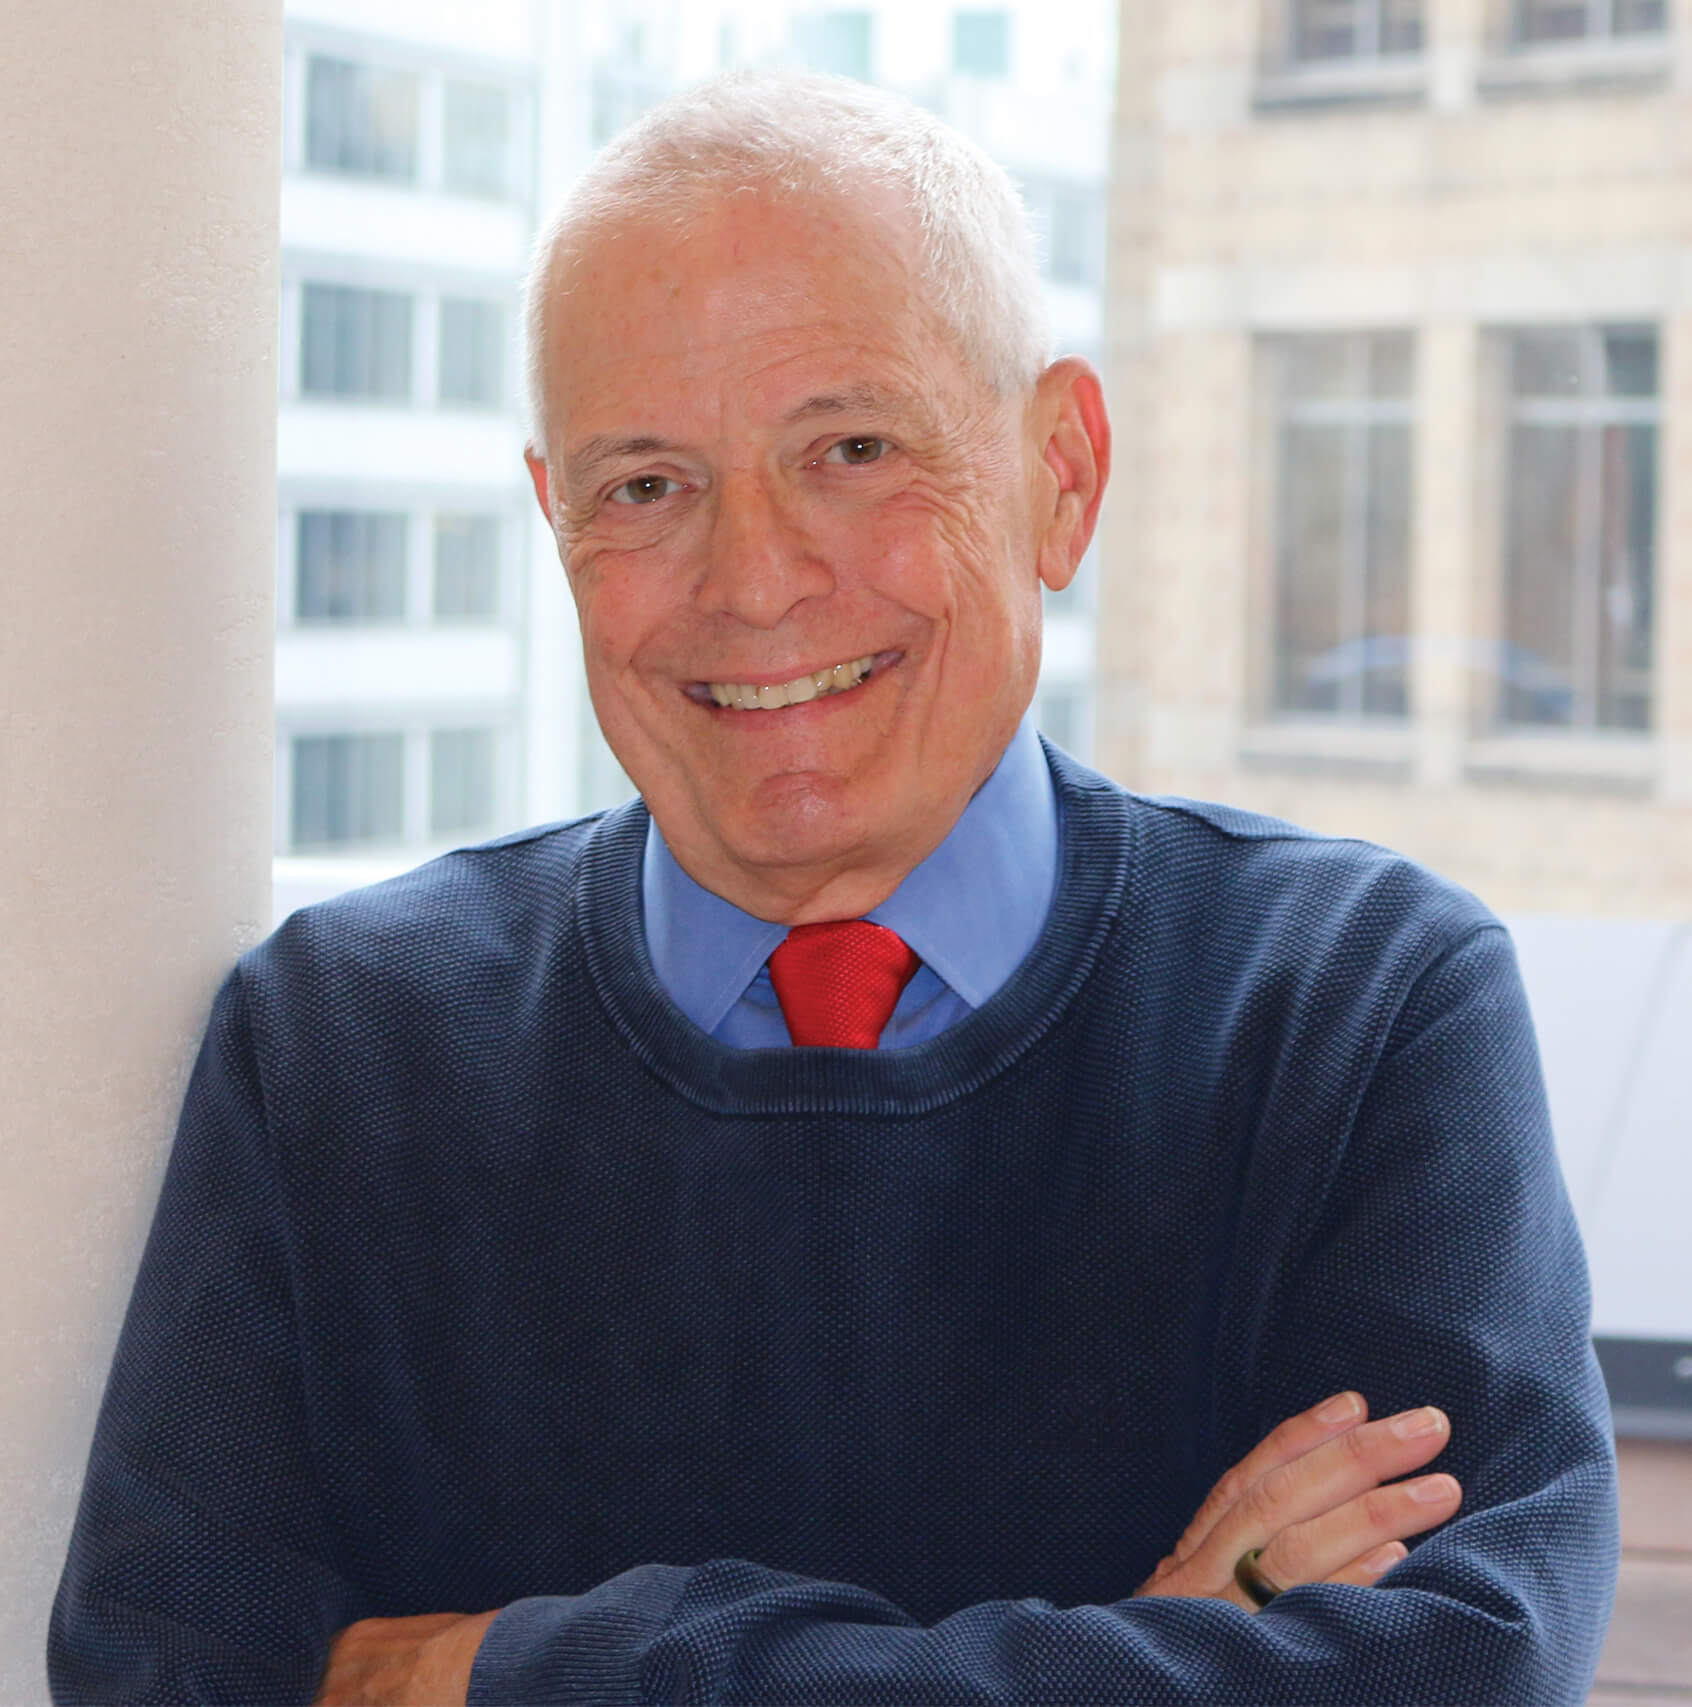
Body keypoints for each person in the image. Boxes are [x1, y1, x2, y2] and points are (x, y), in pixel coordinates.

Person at [49, 71, 1617, 1706]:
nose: (754, 581)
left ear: (1060, 477)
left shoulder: (1360, 1011)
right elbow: (160, 1676)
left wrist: (513, 1671)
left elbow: (1457, 1674)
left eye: (852, 448)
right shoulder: (337, 1048)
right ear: (554, 521)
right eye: (647, 485)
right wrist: (1171, 1631)